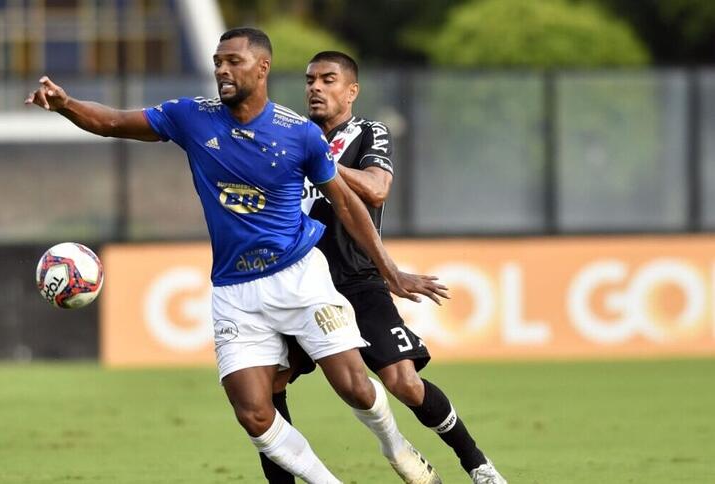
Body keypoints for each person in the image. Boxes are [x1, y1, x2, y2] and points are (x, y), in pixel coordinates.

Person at [25, 28, 448, 484]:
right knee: (254, 414)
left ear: (262, 68)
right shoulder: (191, 116)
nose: (222, 70)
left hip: (300, 277)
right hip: (235, 290)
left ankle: (397, 448)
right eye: (217, 62)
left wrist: (390, 271)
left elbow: (347, 203)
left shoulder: (299, 134)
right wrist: (67, 105)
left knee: (355, 388)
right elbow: (112, 122)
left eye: (233, 62)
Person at [255, 51, 508, 484]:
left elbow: (376, 187)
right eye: (309, 80)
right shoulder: (288, 136)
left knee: (404, 383)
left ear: (351, 91)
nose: (315, 87)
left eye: (328, 80)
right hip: (294, 280)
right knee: (268, 387)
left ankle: (479, 466)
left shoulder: (367, 131)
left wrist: (321, 161)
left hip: (356, 280)